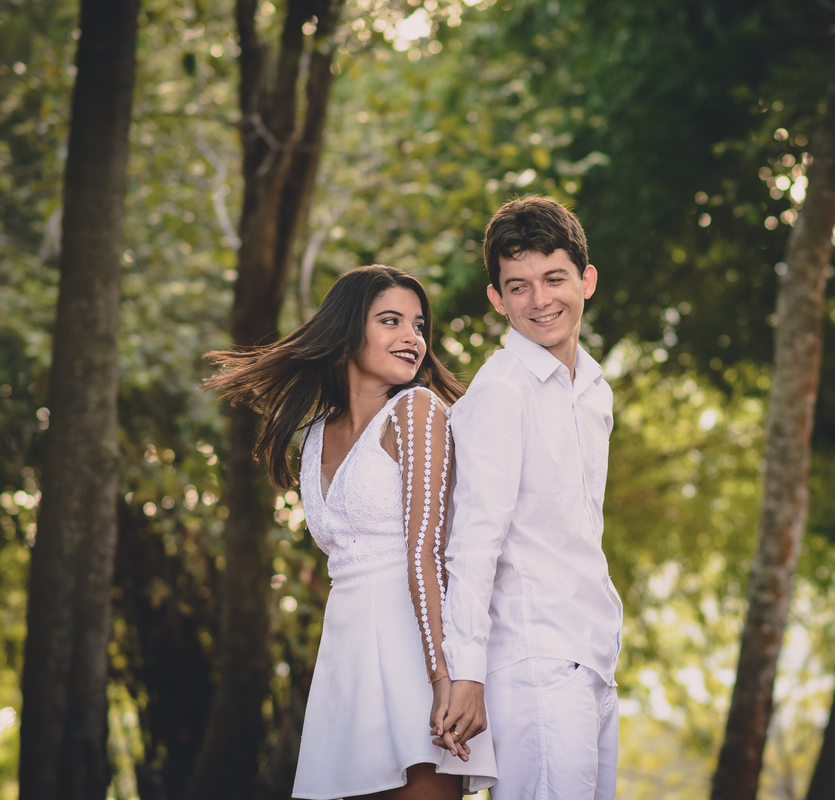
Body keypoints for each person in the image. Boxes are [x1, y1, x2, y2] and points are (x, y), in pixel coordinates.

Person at [205, 265, 497, 799]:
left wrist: (443, 678)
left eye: (418, 325)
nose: (412, 337)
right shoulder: (313, 435)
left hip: (416, 649)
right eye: (391, 321)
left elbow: (425, 552)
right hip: (347, 655)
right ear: (347, 330)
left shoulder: (417, 410)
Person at [437, 197, 623, 799]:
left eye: (554, 278)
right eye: (519, 286)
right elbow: (472, 539)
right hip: (532, 660)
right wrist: (466, 673)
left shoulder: (595, 393)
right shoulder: (500, 391)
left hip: (593, 656)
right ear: (497, 298)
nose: (540, 299)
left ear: (586, 281)